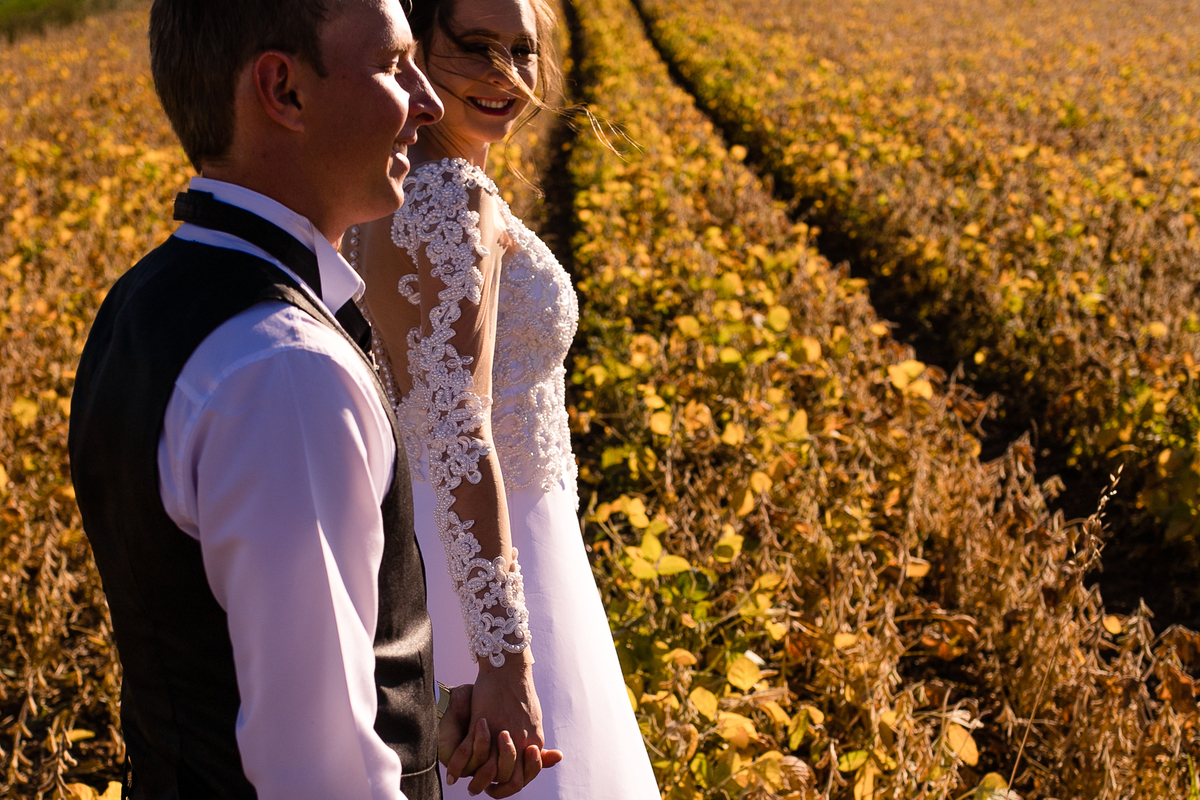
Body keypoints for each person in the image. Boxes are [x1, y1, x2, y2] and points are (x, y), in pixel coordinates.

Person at [68, 0, 558, 797]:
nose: (427, 104)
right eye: (395, 68)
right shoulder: (288, 373)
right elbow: (318, 770)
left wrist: (426, 712)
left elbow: (223, 655)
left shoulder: (141, 301)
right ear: (284, 91)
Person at [350, 0, 659, 796]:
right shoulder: (455, 197)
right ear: (419, 48)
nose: (506, 76)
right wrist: (504, 659)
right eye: (476, 48)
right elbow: (458, 430)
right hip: (494, 568)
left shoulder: (386, 192)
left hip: (421, 555)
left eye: (523, 51)